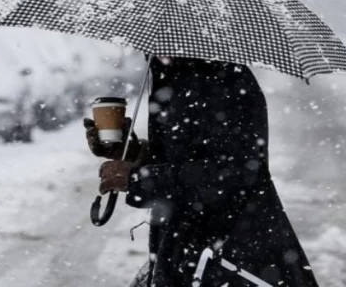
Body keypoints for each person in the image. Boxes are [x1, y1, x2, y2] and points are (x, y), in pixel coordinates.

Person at [84, 57, 319, 287]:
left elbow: (233, 172)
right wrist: (130, 151)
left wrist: (140, 179)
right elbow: (185, 155)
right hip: (186, 248)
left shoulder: (223, 81)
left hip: (227, 250)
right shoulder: (174, 74)